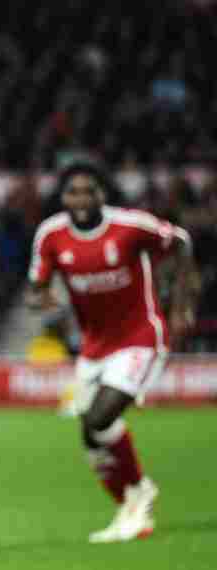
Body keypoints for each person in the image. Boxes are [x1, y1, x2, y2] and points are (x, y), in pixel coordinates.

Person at [28, 162, 198, 543]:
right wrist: (42, 299)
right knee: (91, 436)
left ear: (103, 194)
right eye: (74, 192)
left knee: (100, 417)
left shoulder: (131, 227)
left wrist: (183, 303)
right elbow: (34, 287)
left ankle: (139, 493)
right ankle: (131, 504)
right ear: (63, 197)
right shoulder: (51, 235)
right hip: (94, 347)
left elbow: (182, 242)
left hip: (140, 337)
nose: (82, 199)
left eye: (90, 191)